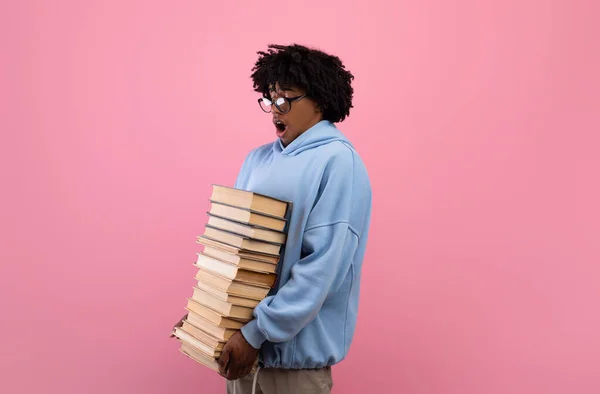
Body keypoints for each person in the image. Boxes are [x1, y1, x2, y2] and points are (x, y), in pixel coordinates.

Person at [173, 43, 372, 394]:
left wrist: (256, 332)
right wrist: (208, 312)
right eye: (269, 99)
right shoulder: (257, 159)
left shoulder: (338, 162)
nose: (274, 110)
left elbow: (320, 270)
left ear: (319, 101)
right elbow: (234, 248)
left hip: (293, 372)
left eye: (285, 100)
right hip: (241, 359)